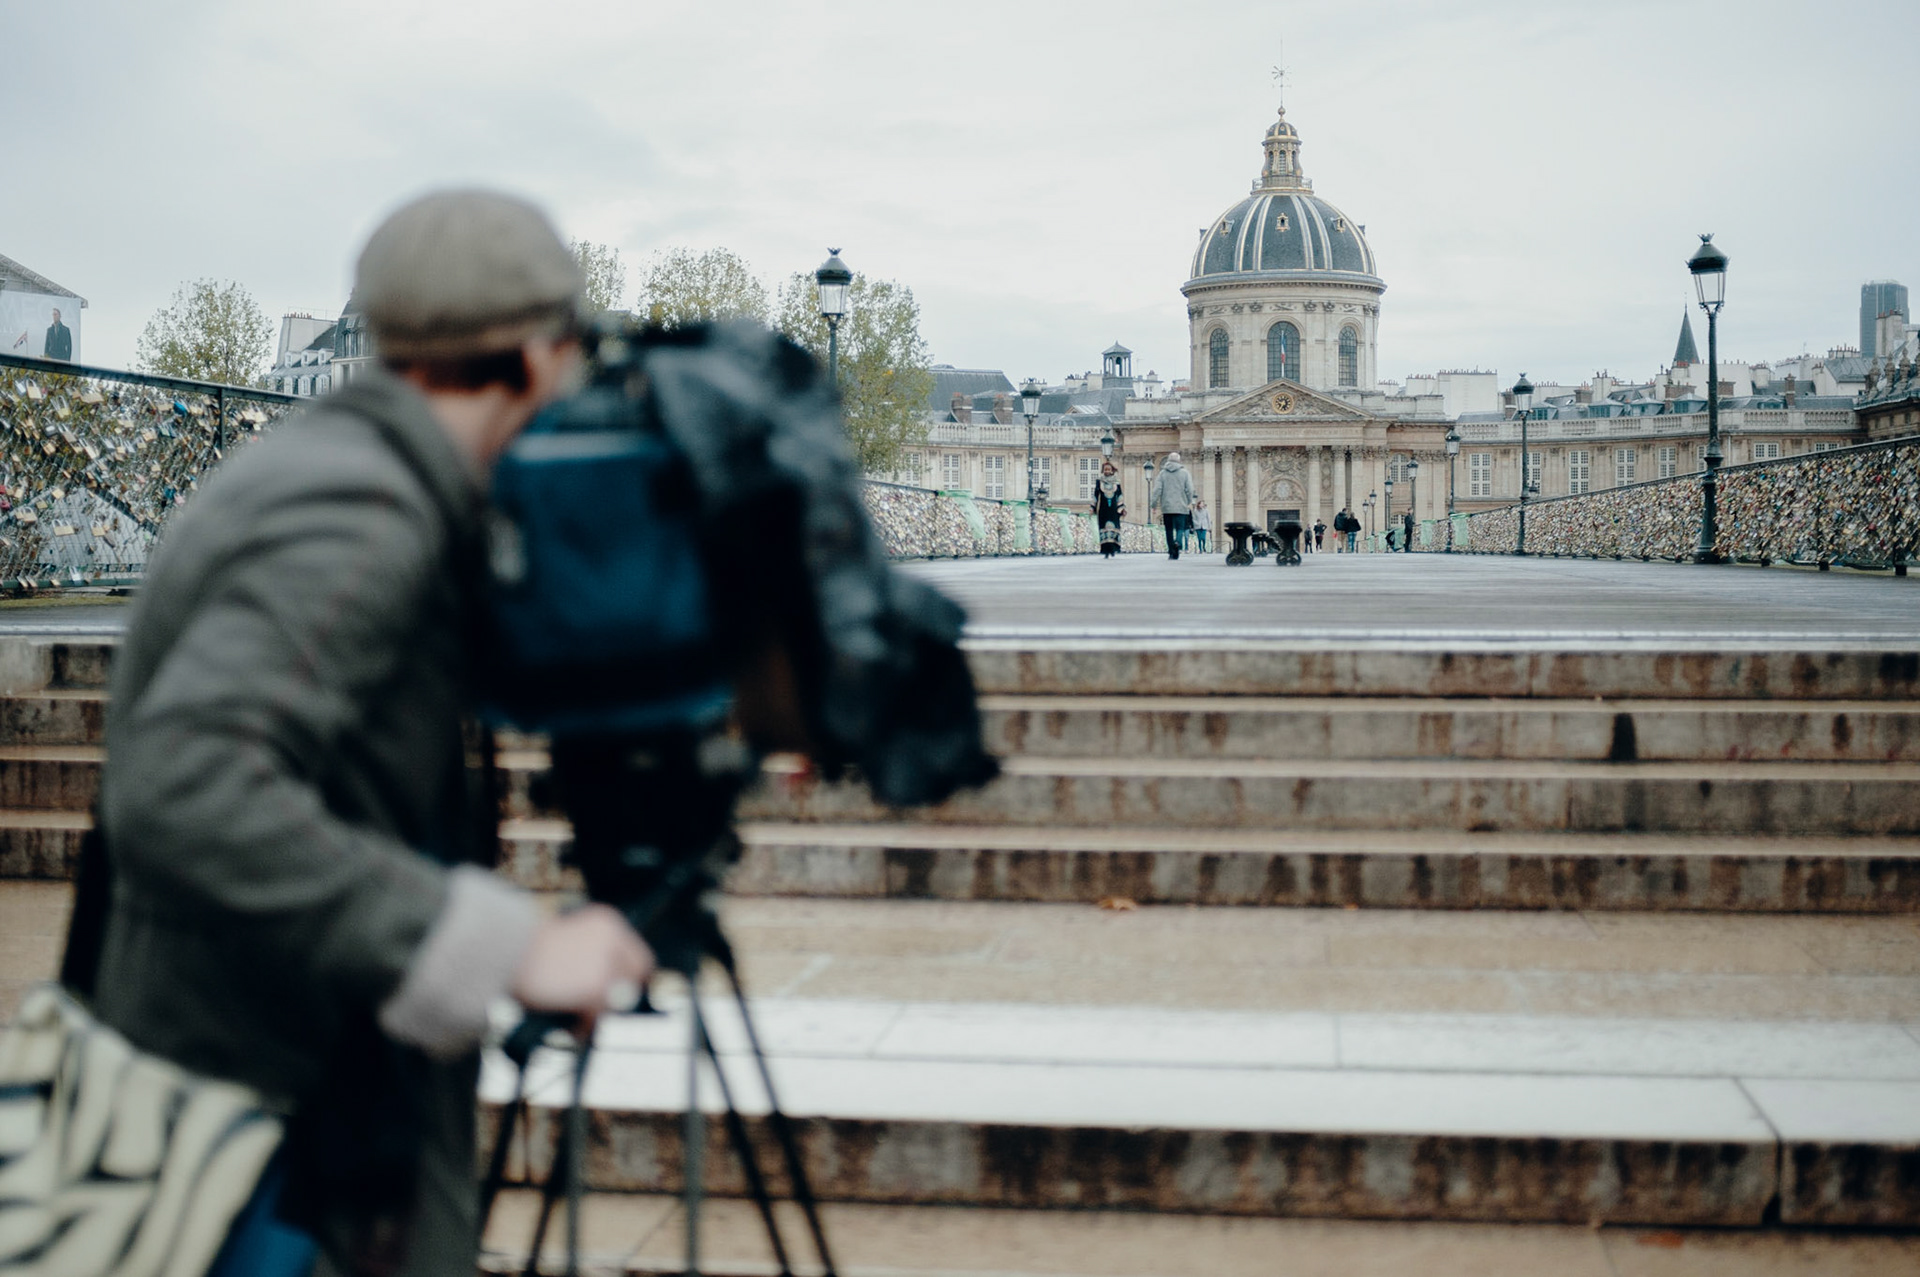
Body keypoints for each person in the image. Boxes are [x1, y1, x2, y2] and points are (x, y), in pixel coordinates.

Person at [89, 190, 655, 1276]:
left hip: (254, 1073)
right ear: (539, 355)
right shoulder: (363, 505)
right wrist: (517, 946)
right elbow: (186, 782)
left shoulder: (339, 468)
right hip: (281, 1121)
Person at [1149, 450, 1195, 560]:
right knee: (1180, 528)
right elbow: (1190, 489)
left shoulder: (1162, 473)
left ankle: (1171, 551)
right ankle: (1178, 542)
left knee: (1168, 530)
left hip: (1167, 506)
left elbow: (1157, 490)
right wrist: (1188, 501)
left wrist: (1153, 504)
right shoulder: (1185, 473)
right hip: (1181, 505)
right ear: (1179, 461)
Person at [1091, 458, 1125, 558]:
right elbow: (1096, 495)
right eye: (1105, 469)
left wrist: (1122, 508)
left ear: (1111, 470)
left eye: (1108, 469)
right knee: (1103, 528)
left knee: (1114, 528)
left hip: (1114, 509)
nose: (1107, 471)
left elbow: (1119, 495)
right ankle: (1105, 550)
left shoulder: (1116, 482)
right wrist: (1092, 507)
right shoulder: (1099, 481)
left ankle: (1113, 549)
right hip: (1103, 508)